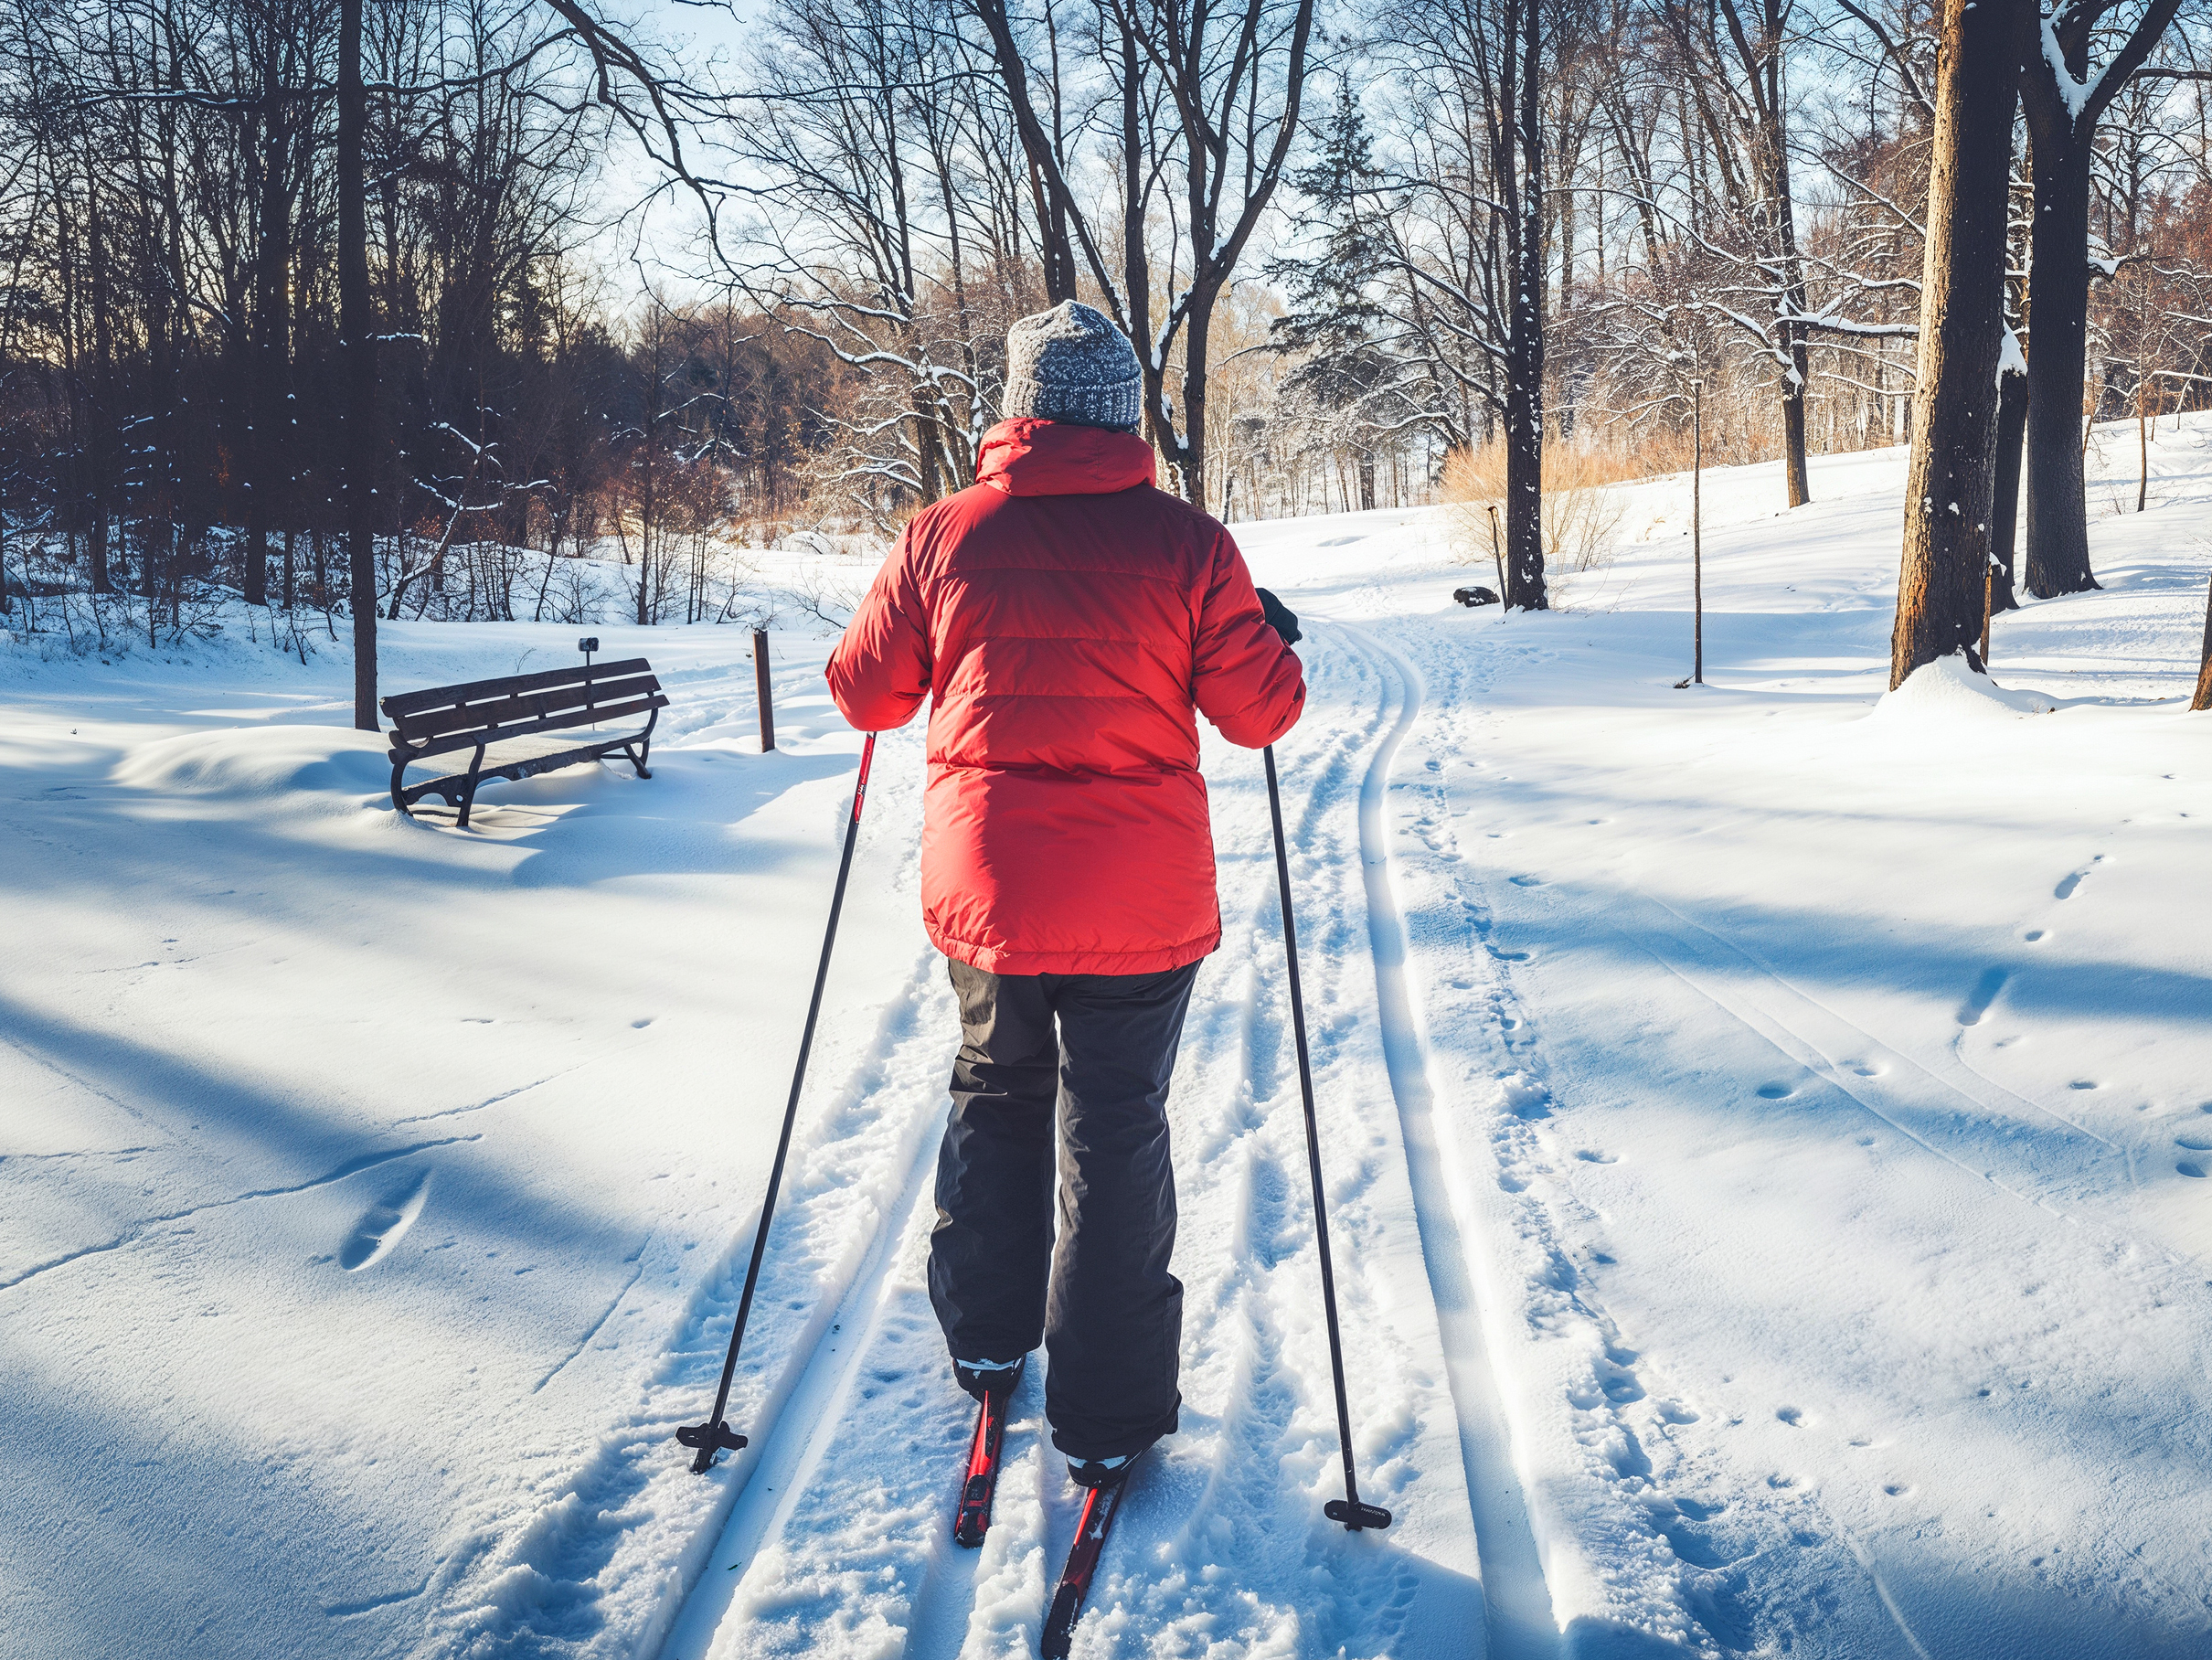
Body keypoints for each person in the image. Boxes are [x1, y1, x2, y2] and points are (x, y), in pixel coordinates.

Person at [825, 299, 1303, 1489]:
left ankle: (987, 1342)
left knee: (995, 1091)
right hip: (1139, 907)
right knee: (1117, 1127)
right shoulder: (1192, 548)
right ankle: (1108, 1413)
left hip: (991, 889)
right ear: (1120, 413)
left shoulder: (943, 535)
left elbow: (865, 695)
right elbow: (1261, 714)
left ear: (1018, 409)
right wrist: (1269, 639)